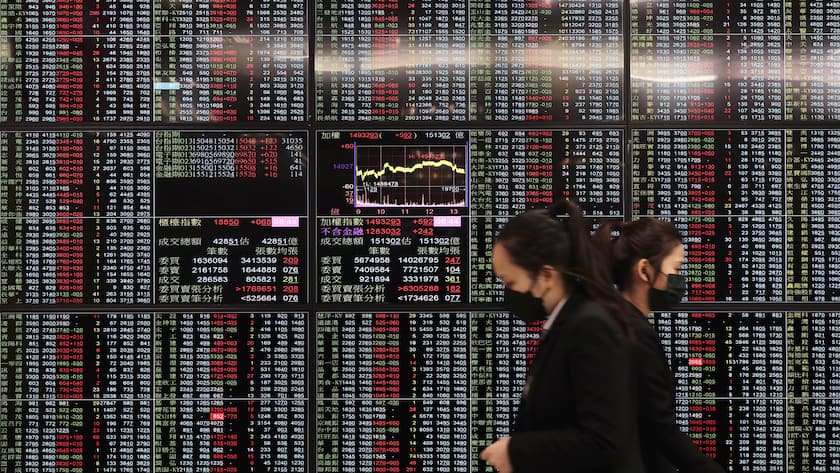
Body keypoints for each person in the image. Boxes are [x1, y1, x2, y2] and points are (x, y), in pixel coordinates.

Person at [480, 201, 644, 473]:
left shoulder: (590, 326)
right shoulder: (567, 324)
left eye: (510, 283)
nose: (509, 294)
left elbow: (603, 440)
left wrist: (515, 451)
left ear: (546, 275)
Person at [593, 218, 726, 473]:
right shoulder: (635, 333)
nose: (678, 280)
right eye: (675, 269)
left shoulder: (615, 321)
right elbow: (659, 426)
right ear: (644, 271)